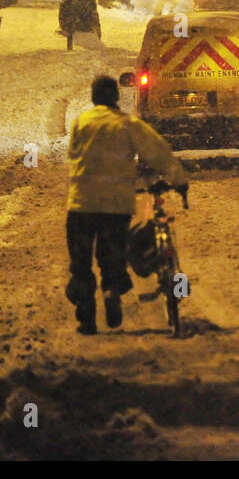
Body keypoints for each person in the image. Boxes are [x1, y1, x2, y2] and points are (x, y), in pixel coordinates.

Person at [66, 74, 187, 335]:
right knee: (111, 257)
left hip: (82, 204)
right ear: (116, 98)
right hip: (116, 205)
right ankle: (111, 291)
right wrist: (178, 180)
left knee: (81, 262)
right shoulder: (128, 124)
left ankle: (86, 318)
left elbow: (74, 154)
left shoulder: (80, 123)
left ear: (93, 97)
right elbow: (158, 151)